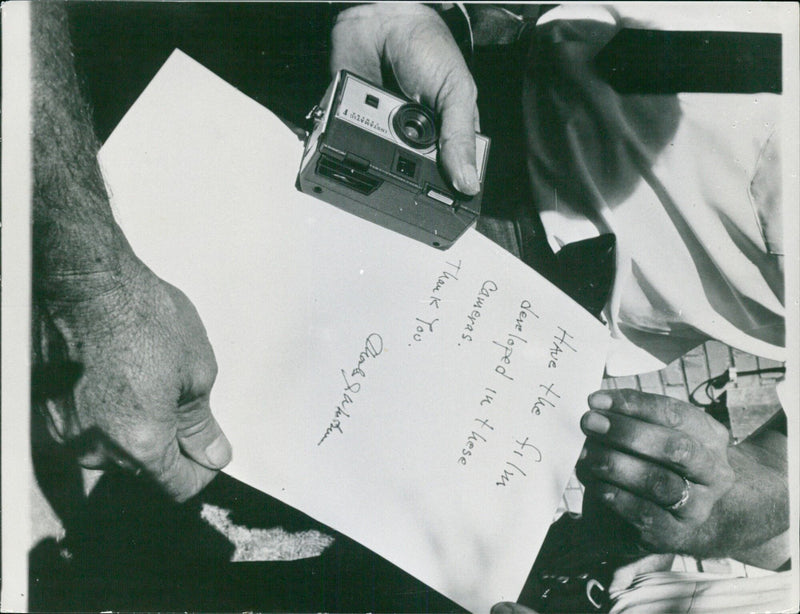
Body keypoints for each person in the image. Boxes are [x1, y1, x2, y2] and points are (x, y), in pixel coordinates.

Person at [32, 1, 790, 611]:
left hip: (533, 307)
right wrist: (427, 10)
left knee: (182, 401)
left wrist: (770, 493)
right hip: (429, 100)